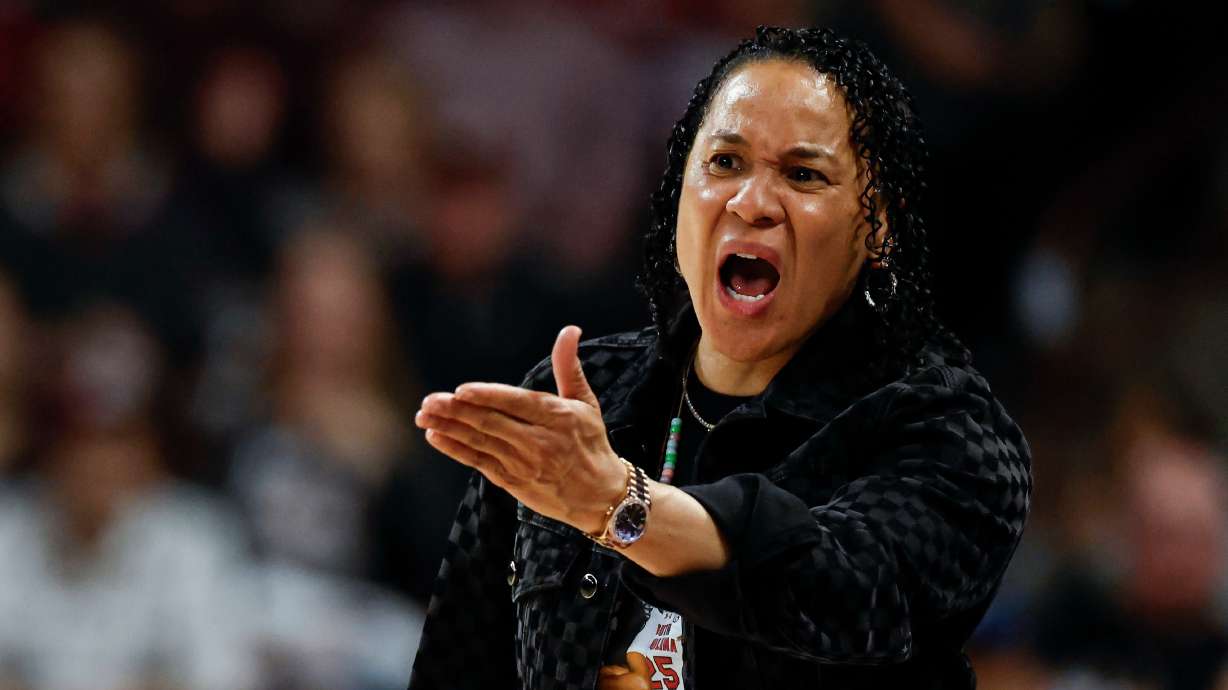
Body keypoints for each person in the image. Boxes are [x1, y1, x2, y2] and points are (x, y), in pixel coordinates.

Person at [407, 26, 1031, 690]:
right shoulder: (579, 404)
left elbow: (848, 586)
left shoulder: (950, 431)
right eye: (725, 162)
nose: (751, 202)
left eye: (803, 174)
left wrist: (620, 506)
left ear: (877, 224)